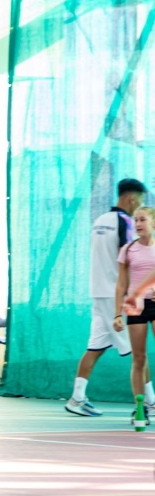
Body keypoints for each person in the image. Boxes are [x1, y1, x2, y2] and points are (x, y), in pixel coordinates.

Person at [66, 178, 146, 416]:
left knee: (95, 347)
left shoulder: (99, 221)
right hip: (116, 297)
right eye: (139, 202)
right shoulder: (125, 222)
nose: (139, 209)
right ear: (131, 199)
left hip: (98, 293)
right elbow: (129, 259)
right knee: (139, 353)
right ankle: (151, 402)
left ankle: (76, 398)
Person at [115, 207, 155, 424]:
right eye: (136, 220)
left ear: (153, 223)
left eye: (143, 220)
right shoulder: (128, 249)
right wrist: (116, 314)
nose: (138, 224)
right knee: (139, 358)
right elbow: (121, 284)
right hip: (135, 307)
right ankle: (140, 408)